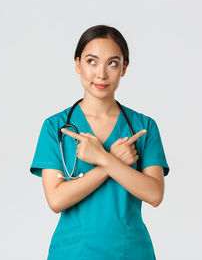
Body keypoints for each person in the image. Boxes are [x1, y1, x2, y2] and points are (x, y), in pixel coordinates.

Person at [29, 24, 170, 259]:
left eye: (112, 63)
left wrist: (103, 158)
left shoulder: (144, 127)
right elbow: (56, 200)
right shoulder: (56, 127)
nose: (101, 74)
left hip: (130, 251)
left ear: (124, 68)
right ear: (77, 64)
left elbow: (154, 194)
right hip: (73, 252)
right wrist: (112, 161)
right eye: (91, 61)